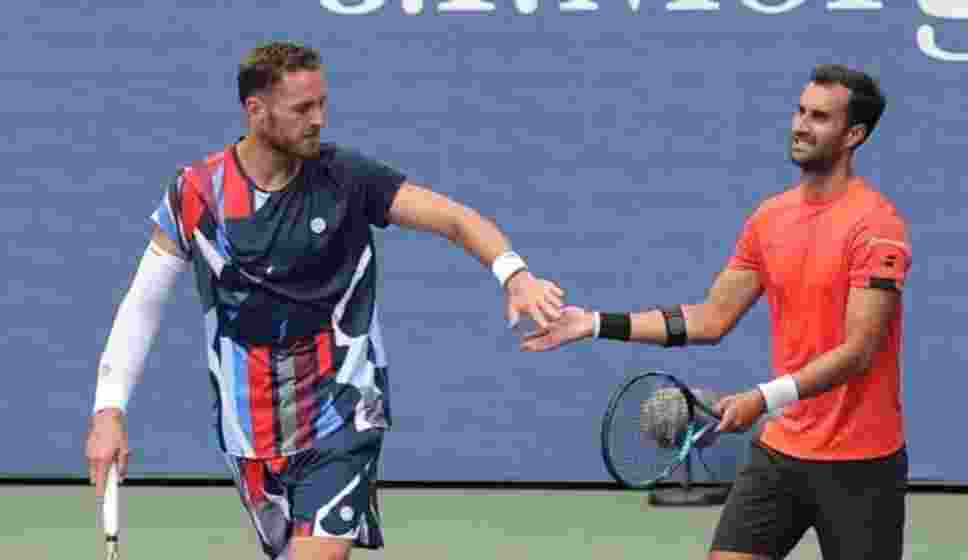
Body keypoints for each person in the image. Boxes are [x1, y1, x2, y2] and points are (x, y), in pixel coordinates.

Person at [84, 40, 565, 560]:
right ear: (256, 110)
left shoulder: (346, 177)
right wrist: (108, 410)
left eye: (323, 104)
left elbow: (454, 218)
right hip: (248, 426)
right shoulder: (198, 193)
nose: (319, 119)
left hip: (343, 408)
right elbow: (143, 303)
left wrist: (513, 274)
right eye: (302, 108)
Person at [522, 64, 912, 560]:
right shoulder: (770, 219)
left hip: (862, 463)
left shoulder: (877, 226)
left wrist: (762, 397)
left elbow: (859, 351)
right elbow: (710, 318)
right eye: (799, 111)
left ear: (853, 134)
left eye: (819, 117)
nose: (800, 125)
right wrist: (595, 323)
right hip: (782, 452)